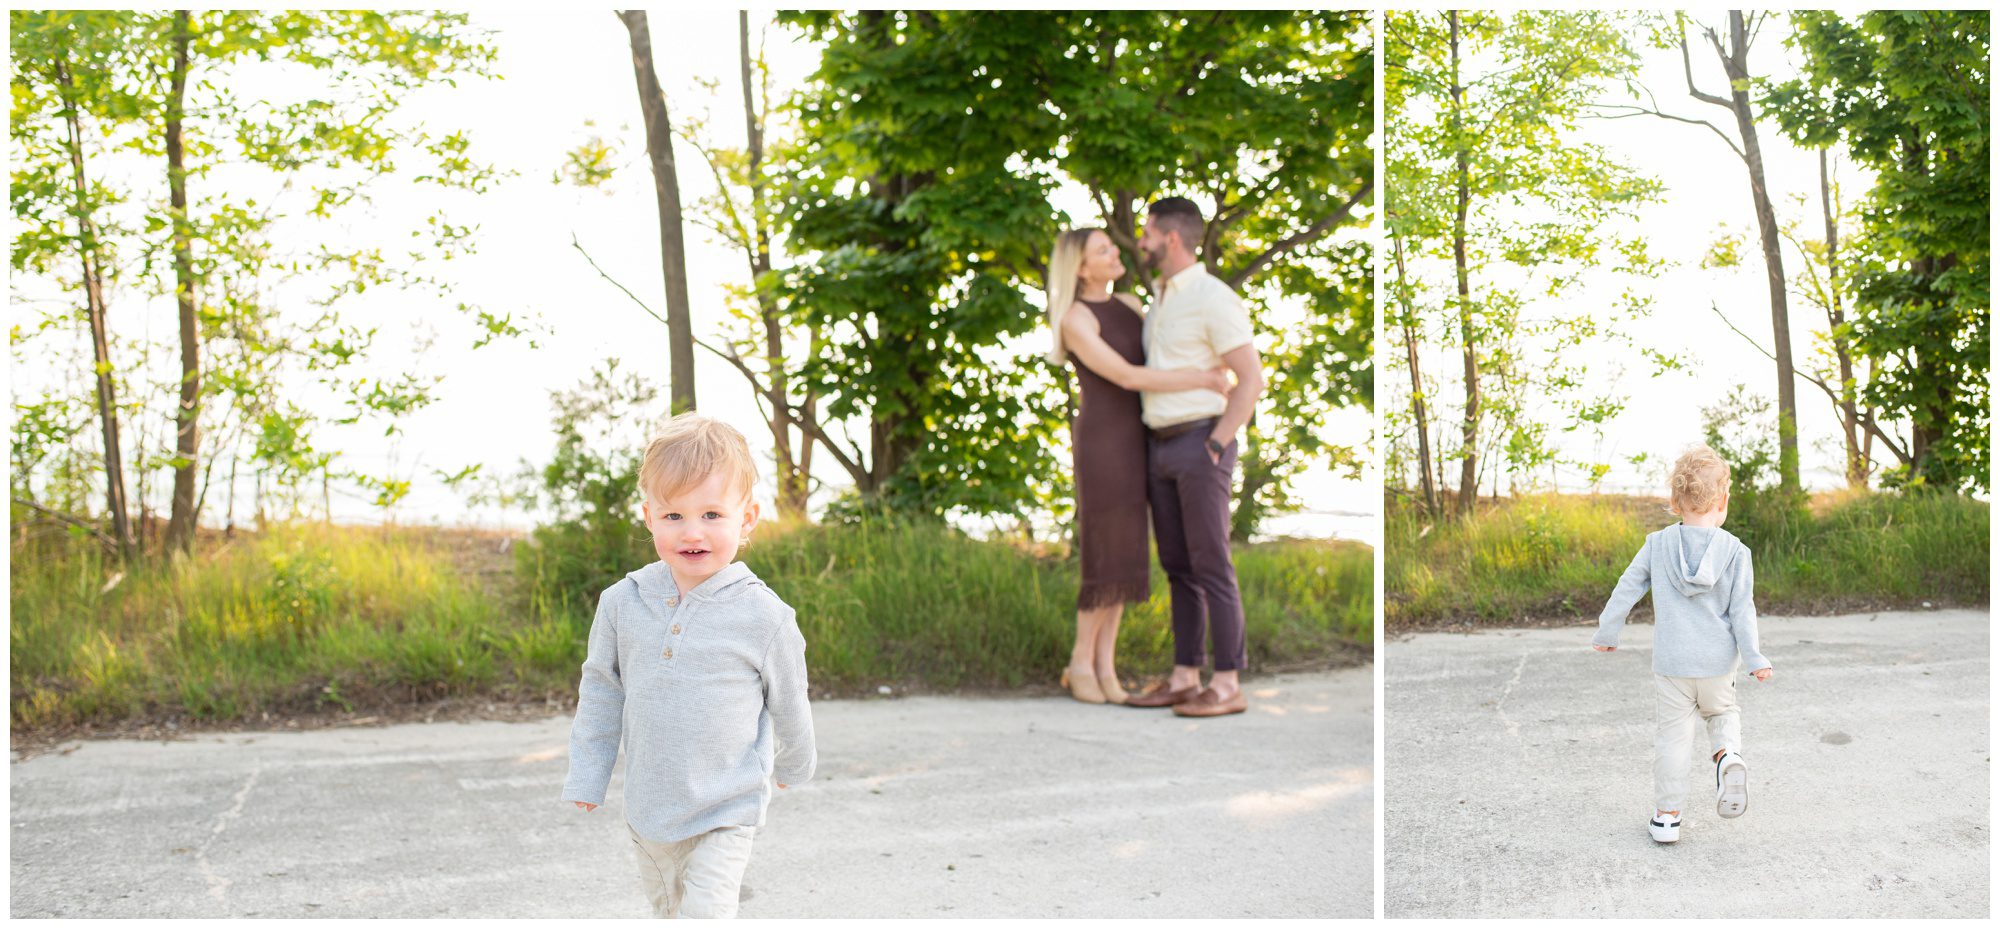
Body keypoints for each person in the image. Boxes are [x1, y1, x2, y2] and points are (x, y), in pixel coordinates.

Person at [562, 413, 816, 917]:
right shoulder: (622, 603)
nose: (692, 532)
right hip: (649, 811)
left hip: (727, 808)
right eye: (673, 516)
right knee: (669, 913)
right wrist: (588, 774)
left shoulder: (764, 615)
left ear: (747, 518)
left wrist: (795, 763)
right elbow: (602, 693)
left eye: (712, 515)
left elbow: (789, 698)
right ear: (648, 516)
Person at [1047, 227, 1230, 704]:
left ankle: (1106, 668)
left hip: (1142, 439)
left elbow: (1165, 351)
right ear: (1081, 268)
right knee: (1104, 552)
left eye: (1111, 246)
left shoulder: (1130, 304)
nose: (1115, 252)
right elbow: (1127, 376)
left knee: (1128, 555)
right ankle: (1080, 661)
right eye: (1102, 250)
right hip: (1105, 443)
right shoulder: (1074, 318)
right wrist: (1206, 378)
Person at [1121, 197, 1265, 718]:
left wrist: (1216, 444)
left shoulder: (1211, 296)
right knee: (1178, 566)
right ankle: (1185, 676)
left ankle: (1227, 683)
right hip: (1158, 445)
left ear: (1169, 236)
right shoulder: (1160, 297)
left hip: (1199, 443)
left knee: (1212, 565)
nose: (1141, 240)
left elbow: (1250, 378)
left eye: (1147, 231)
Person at [1592, 444, 1773, 844]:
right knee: (1722, 713)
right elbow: (1744, 612)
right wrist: (1755, 658)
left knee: (1673, 738)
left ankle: (1667, 819)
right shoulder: (1736, 553)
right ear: (1723, 500)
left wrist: (1608, 630)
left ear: (1675, 501)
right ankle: (1727, 756)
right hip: (1717, 665)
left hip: (1673, 665)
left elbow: (1628, 587)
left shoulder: (1657, 546)